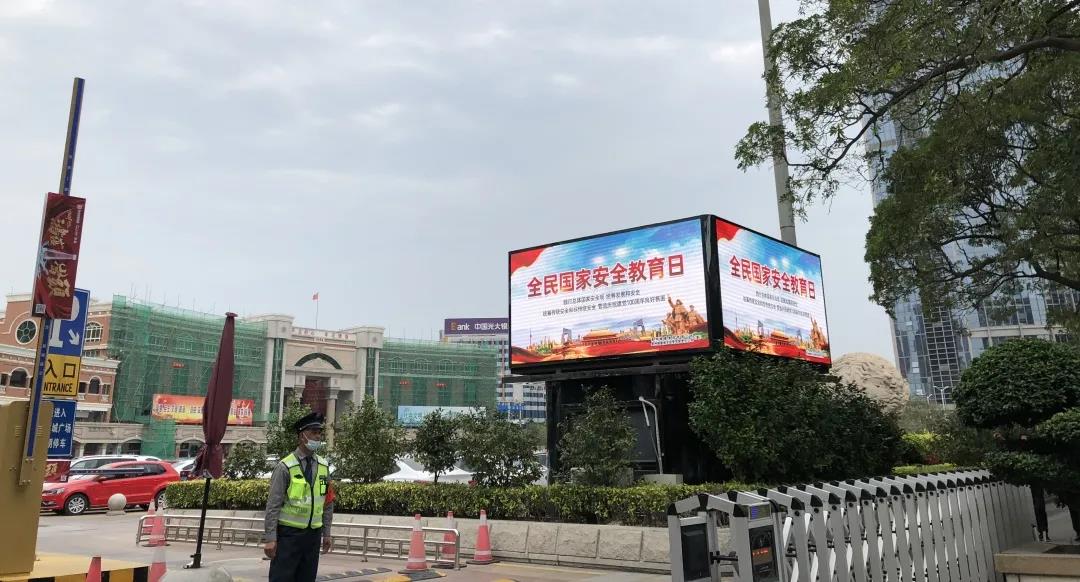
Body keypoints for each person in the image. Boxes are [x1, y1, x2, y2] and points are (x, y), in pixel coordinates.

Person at [264, 412, 334, 582]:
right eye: (313, 432)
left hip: (313, 536)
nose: (317, 437)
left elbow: (327, 502)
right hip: (289, 536)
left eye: (319, 433)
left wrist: (327, 533)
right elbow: (273, 505)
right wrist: (271, 538)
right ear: (302, 436)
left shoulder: (323, 467)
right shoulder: (285, 467)